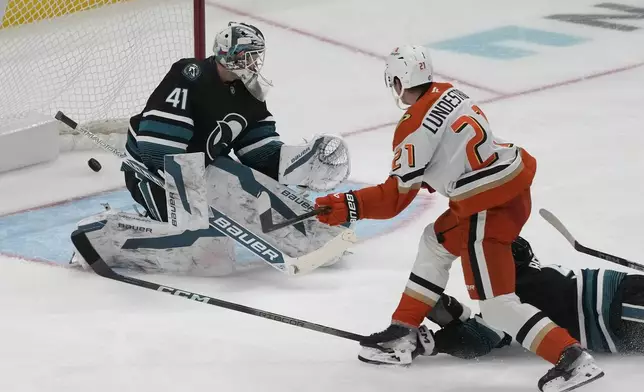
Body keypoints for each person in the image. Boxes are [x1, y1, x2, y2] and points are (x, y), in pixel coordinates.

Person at [314, 45, 603, 392]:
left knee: (497, 307)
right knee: (434, 242)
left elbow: (393, 200)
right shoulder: (450, 92)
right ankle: (403, 332)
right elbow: (453, 149)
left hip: (486, 210)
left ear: (399, 81)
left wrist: (345, 205)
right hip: (509, 188)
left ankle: (571, 358)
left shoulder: (412, 126)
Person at [69, 22, 351, 276]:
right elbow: (157, 148)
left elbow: (259, 153)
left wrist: (301, 162)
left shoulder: (248, 94)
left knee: (249, 190)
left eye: (257, 56)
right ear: (229, 55)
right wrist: (192, 194)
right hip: (154, 174)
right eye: (248, 55)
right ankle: (108, 235)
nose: (255, 63)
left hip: (204, 168)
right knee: (211, 256)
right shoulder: (191, 76)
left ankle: (310, 236)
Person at [422, 236, 644, 358]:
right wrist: (457, 316)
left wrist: (433, 344)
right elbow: (501, 332)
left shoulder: (519, 294)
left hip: (617, 312)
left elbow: (478, 342)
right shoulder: (536, 278)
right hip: (624, 294)